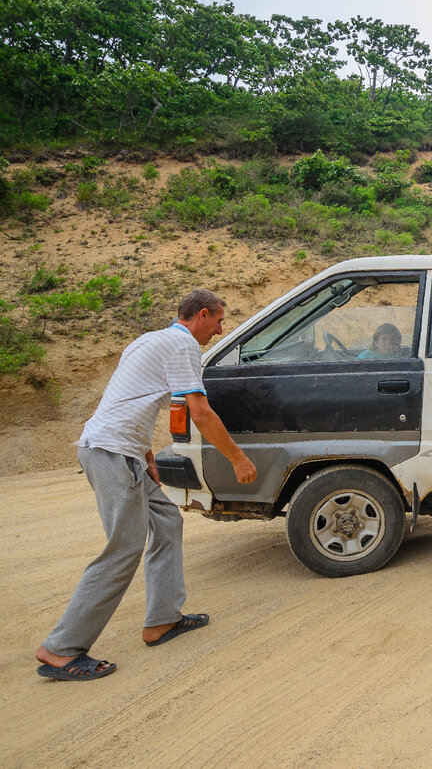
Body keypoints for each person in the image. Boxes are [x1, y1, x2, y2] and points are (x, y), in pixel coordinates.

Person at [35, 290, 257, 681]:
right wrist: (238, 458)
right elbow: (201, 412)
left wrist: (147, 456)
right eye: (218, 321)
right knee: (123, 548)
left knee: (167, 520)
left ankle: (162, 620)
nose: (220, 331)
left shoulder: (147, 340)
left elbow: (127, 400)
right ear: (201, 315)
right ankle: (61, 648)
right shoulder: (183, 344)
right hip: (111, 453)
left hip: (122, 451)